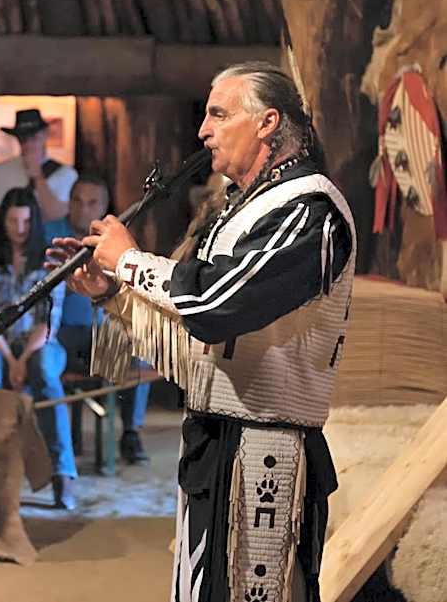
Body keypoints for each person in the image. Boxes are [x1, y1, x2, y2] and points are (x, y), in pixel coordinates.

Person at [47, 62, 354, 601]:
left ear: (267, 123)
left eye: (218, 114)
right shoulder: (243, 210)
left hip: (267, 448)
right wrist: (110, 294)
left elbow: (216, 304)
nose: (203, 131)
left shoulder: (311, 209)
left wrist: (130, 260)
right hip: (214, 445)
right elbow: (193, 347)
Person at [0, 187, 77, 509]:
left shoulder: (49, 259)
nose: (19, 229)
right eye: (12, 221)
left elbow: (49, 322)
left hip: (40, 342)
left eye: (25, 222)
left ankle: (63, 475)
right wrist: (9, 358)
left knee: (44, 371)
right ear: (2, 221)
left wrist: (23, 359)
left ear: (35, 222)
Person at [44, 174, 151, 464]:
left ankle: (130, 432)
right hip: (59, 333)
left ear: (104, 207)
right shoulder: (51, 234)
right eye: (77, 201)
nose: (83, 209)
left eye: (92, 203)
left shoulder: (113, 241)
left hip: (101, 333)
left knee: (138, 349)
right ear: (69, 203)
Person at [0, 108, 78, 225]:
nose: (28, 144)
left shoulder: (67, 174)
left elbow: (59, 217)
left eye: (34, 138)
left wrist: (38, 177)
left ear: (45, 135)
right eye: (23, 139)